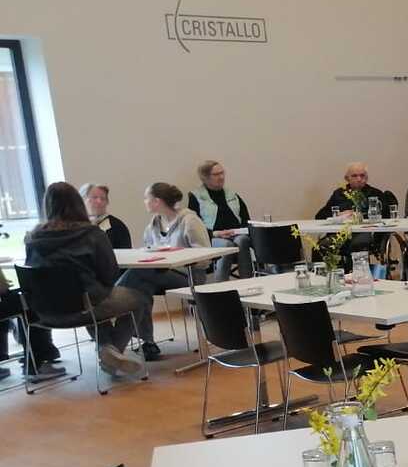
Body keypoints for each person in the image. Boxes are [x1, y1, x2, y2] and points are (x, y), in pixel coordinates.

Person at [22, 182, 149, 380]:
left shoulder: (32, 238)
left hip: (43, 313)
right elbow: (110, 274)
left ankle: (107, 349)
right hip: (83, 307)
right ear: (79, 204)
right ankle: (112, 351)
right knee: (137, 299)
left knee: (92, 298)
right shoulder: (92, 234)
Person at [116, 182, 210, 360]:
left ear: (157, 201)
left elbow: (205, 257)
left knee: (139, 273)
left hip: (189, 275)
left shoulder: (190, 221)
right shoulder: (153, 225)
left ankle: (114, 298)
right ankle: (148, 342)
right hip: (158, 275)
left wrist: (177, 259)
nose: (144, 201)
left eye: (147, 198)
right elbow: (148, 249)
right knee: (141, 287)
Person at [316, 162, 400, 271]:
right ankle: (323, 277)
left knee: (357, 244)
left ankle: (355, 275)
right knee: (318, 247)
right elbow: (320, 216)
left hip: (365, 233)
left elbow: (386, 218)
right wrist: (338, 215)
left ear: (367, 178)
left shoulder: (375, 194)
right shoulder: (339, 194)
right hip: (340, 234)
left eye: (362, 176)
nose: (359, 179)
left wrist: (362, 215)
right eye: (354, 176)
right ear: (347, 179)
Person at [187, 159, 253, 282]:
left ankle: (248, 282)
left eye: (222, 173)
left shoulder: (232, 194)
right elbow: (194, 227)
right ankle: (221, 285)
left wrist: (241, 231)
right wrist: (216, 233)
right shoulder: (196, 197)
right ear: (205, 178)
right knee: (226, 246)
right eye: (216, 174)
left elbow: (246, 219)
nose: (221, 177)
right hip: (213, 237)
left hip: (236, 234)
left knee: (242, 240)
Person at [81, 183, 130, 249]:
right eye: (95, 197)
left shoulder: (117, 226)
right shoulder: (75, 225)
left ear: (107, 202)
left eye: (103, 198)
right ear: (82, 200)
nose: (99, 201)